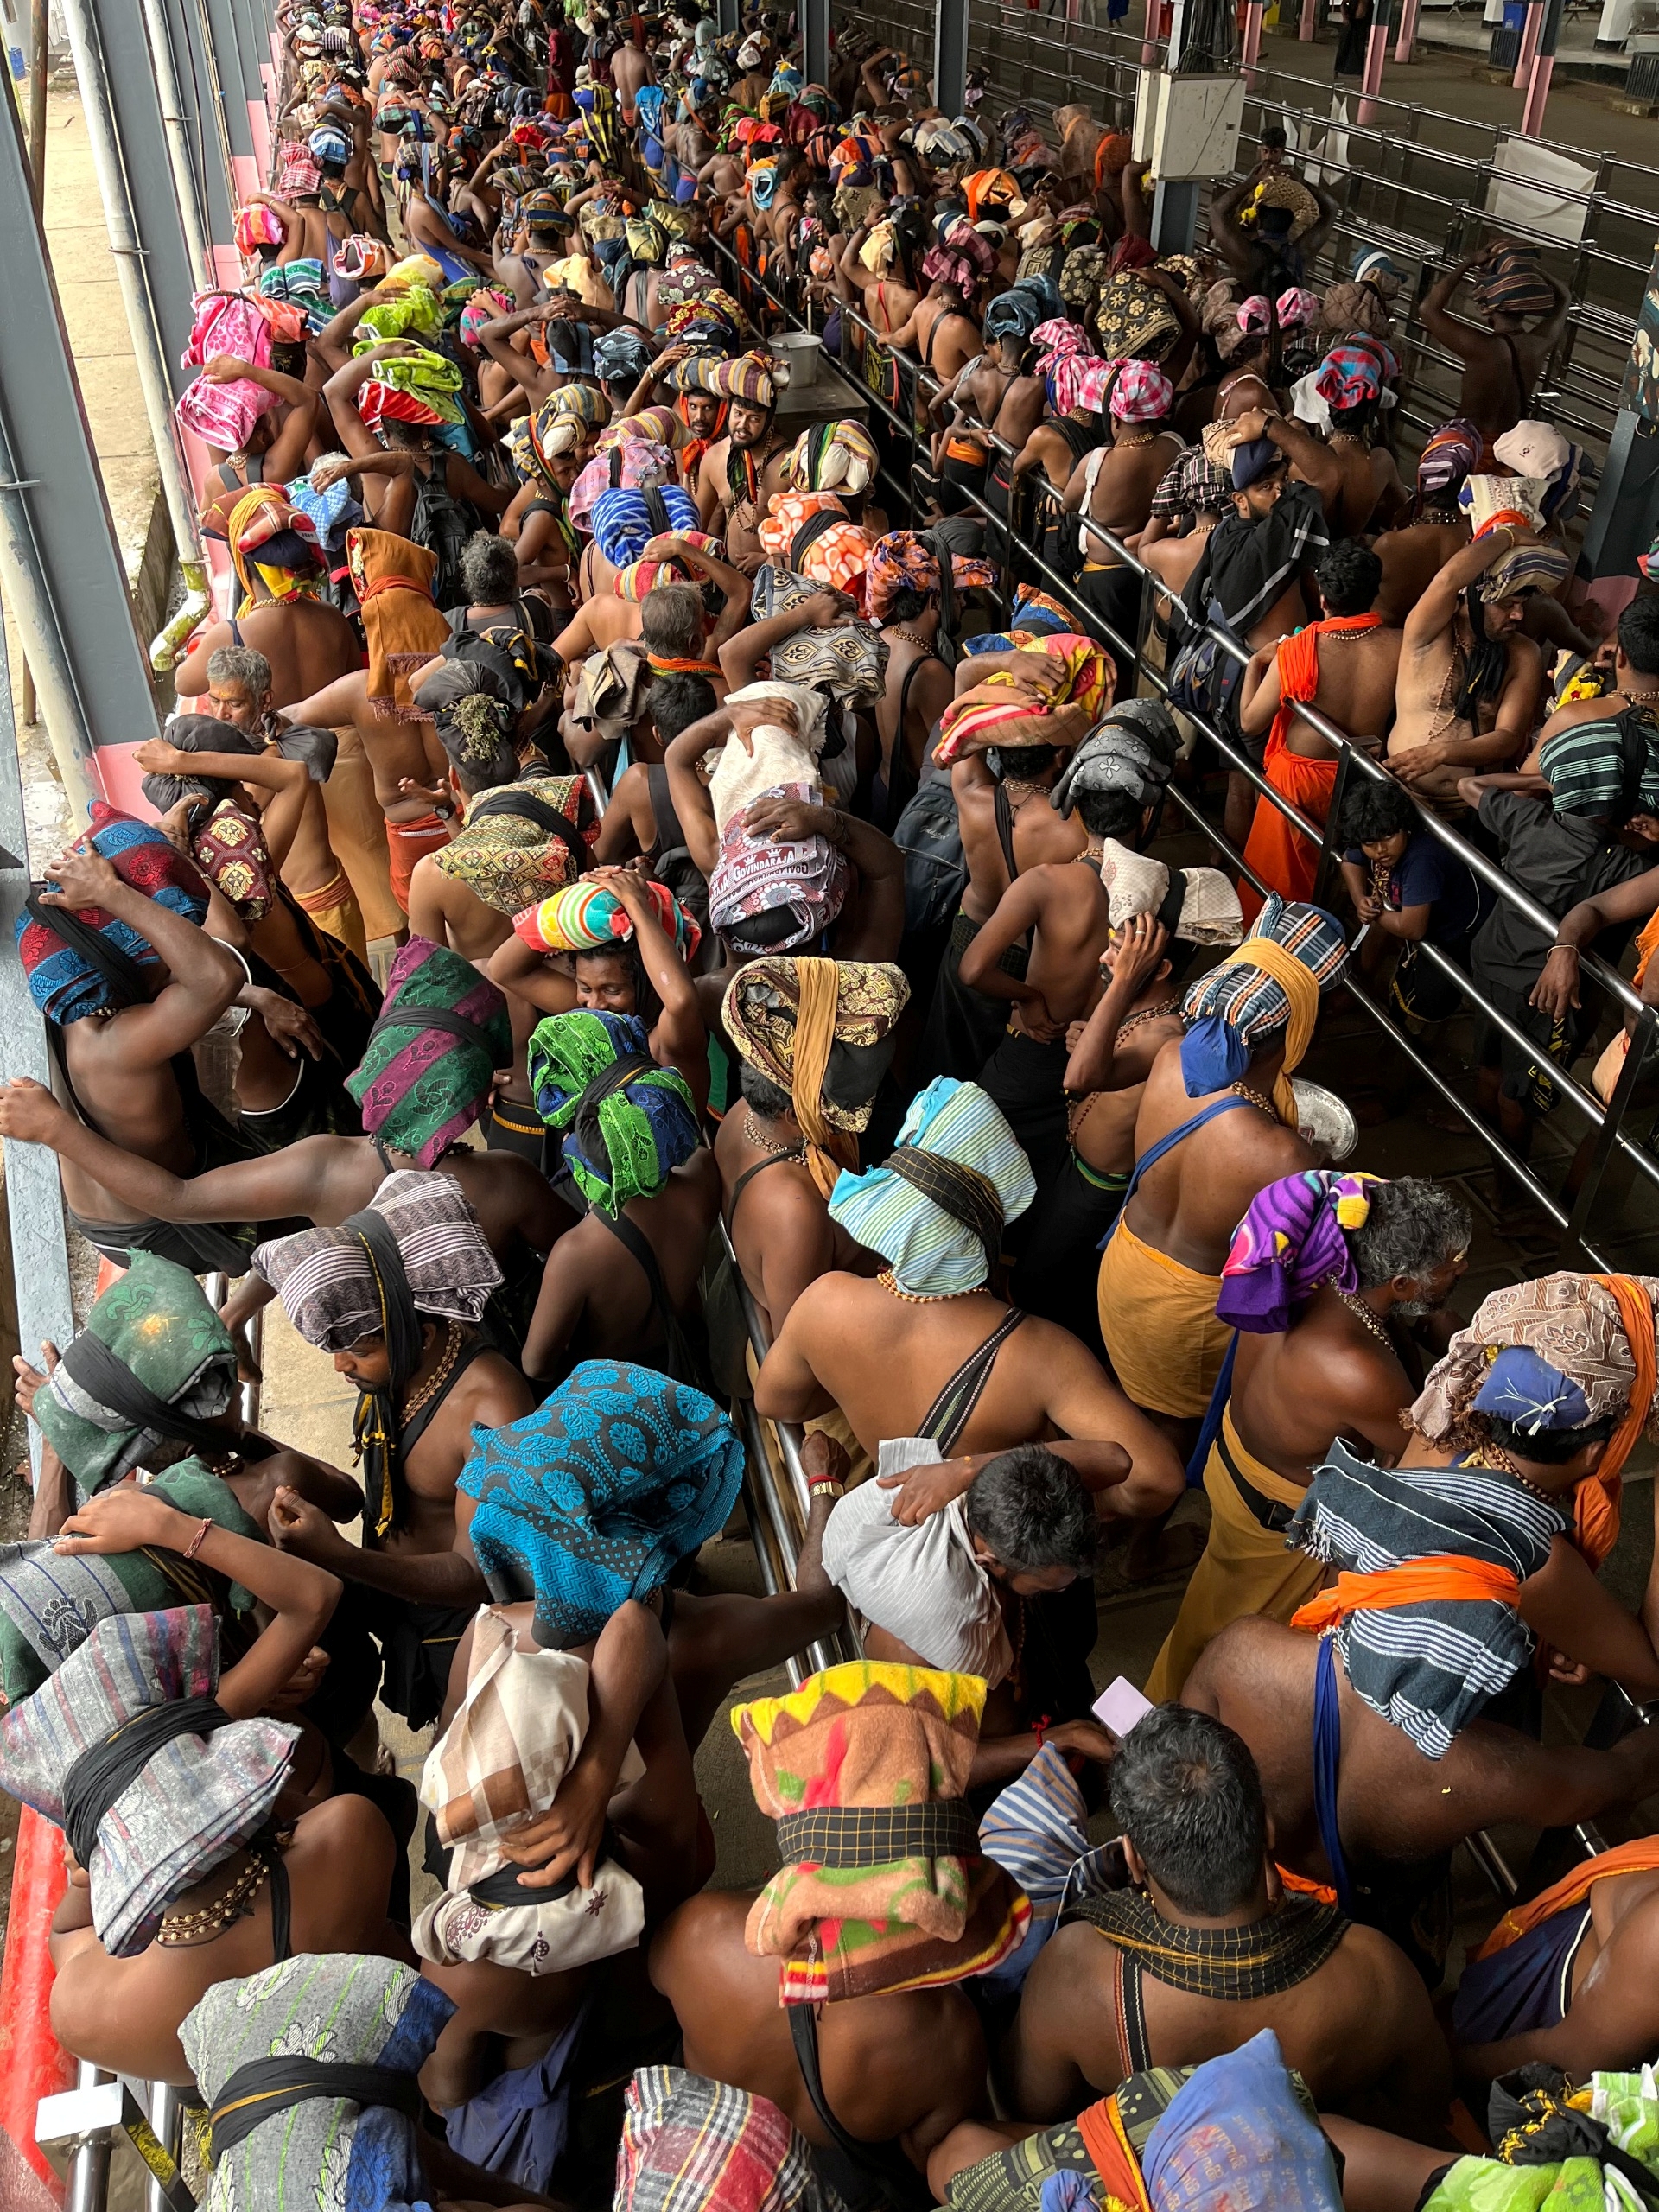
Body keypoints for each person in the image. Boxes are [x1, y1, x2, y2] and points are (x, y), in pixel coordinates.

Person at [1186, 1276, 1659, 1964]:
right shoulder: (1484, 1769)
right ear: (1593, 1454)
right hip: (1372, 1942)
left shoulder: (1243, 1654)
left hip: (1240, 1900)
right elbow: (1626, 1757)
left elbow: (1179, 1762)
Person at [2, 1498, 392, 2087]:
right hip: (392, 2050)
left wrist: (94, 1852)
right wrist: (169, 1526)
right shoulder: (349, 1834)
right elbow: (313, 1597)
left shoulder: (86, 2010)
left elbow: (67, 1932)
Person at [652, 1662, 1027, 2202]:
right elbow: (934, 2158)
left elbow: (656, 1982)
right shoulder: (948, 2036)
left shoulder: (700, 1932)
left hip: (720, 2162)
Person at [756, 1077, 1186, 1523]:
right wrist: (1080, 1513)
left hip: (908, 1538)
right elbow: (1157, 1479)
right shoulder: (1041, 1355)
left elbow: (775, 1402)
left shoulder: (824, 1304)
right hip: (1010, 1561)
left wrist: (855, 1383)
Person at [1006, 1705, 1453, 2134]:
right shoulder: (1378, 1972)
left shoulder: (1074, 1975)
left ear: (1133, 1860)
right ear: (1268, 1829)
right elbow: (1428, 2102)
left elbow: (1031, 2110)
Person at [1145, 1173, 1471, 1700]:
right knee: (1231, 1642)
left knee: (1212, 1608)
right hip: (1276, 1518)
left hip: (1238, 1465)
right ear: (1401, 1285)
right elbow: (1432, 1449)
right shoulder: (1352, 1370)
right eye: (1448, 1268)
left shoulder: (1309, 1266)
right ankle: (1172, 1726)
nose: (1459, 1271)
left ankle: (1163, 1705)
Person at [253, 1169, 536, 1732]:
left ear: (421, 1335)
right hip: (397, 1594)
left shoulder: (493, 1411)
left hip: (457, 1623)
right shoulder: (399, 1370)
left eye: (356, 1349)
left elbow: (475, 1573)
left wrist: (339, 1556)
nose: (340, 1365)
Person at [1096, 896, 1348, 1448]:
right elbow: (1299, 1257)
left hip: (1124, 1271)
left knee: (1138, 1402)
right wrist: (1323, 1175)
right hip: (1187, 1320)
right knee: (1173, 1434)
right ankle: (1147, 1523)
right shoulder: (1284, 1158)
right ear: (1291, 1036)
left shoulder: (1168, 1060)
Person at [16, 809, 267, 1275]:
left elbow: (203, 981)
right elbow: (216, 975)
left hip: (127, 1199)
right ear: (128, 960)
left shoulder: (79, 990)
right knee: (326, 1179)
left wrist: (256, 995)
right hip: (159, 1224)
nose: (176, 960)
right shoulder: (115, 1044)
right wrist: (111, 892)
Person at [821, 1445, 1116, 1780]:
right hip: (990, 1783)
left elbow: (1115, 1460)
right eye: (1049, 1588)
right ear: (990, 1563)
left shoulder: (991, 1495)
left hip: (1041, 1716)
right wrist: (1061, 1740)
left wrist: (966, 1469)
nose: (1063, 1591)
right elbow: (924, 1766)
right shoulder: (914, 1645)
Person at [517, 1007, 721, 1384]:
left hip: (613, 1402)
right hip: (686, 1379)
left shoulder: (575, 1254)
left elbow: (537, 1365)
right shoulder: (703, 1176)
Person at [716, 955, 911, 1341]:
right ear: (794, 1113)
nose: (849, 1122)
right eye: (842, 1111)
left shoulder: (743, 1115)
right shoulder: (794, 1210)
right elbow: (798, 1350)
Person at [1236, 539, 1402, 916]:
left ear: (1323, 598)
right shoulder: (1401, 646)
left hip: (1297, 782)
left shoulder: (1297, 649)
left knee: (1275, 891)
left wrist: (1254, 666)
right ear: (1373, 593)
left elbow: (1250, 721)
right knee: (1337, 880)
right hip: (1361, 778)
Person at [1389, 524, 1560, 808]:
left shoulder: (1524, 654)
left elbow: (1508, 737)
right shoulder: (1430, 632)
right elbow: (1448, 580)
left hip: (1466, 809)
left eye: (1522, 604)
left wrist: (1441, 753)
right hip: (1400, 796)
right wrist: (1508, 535)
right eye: (1507, 604)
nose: (1518, 614)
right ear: (1476, 600)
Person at [1338, 776, 1487, 1020]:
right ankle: (1364, 985)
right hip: (1415, 913)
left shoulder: (1422, 862)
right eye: (1370, 843)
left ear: (1404, 827)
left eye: (1388, 837)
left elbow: (1412, 928)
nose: (1380, 850)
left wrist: (1377, 913)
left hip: (1460, 934)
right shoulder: (1373, 831)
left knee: (1426, 1002)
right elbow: (1349, 860)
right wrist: (1358, 898)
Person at [1419, 242, 1570, 444]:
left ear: (1488, 307)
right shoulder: (1539, 345)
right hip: (1510, 449)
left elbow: (1428, 309)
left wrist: (1468, 263)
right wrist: (1528, 270)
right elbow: (1565, 298)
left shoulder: (1481, 348)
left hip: (1470, 447)